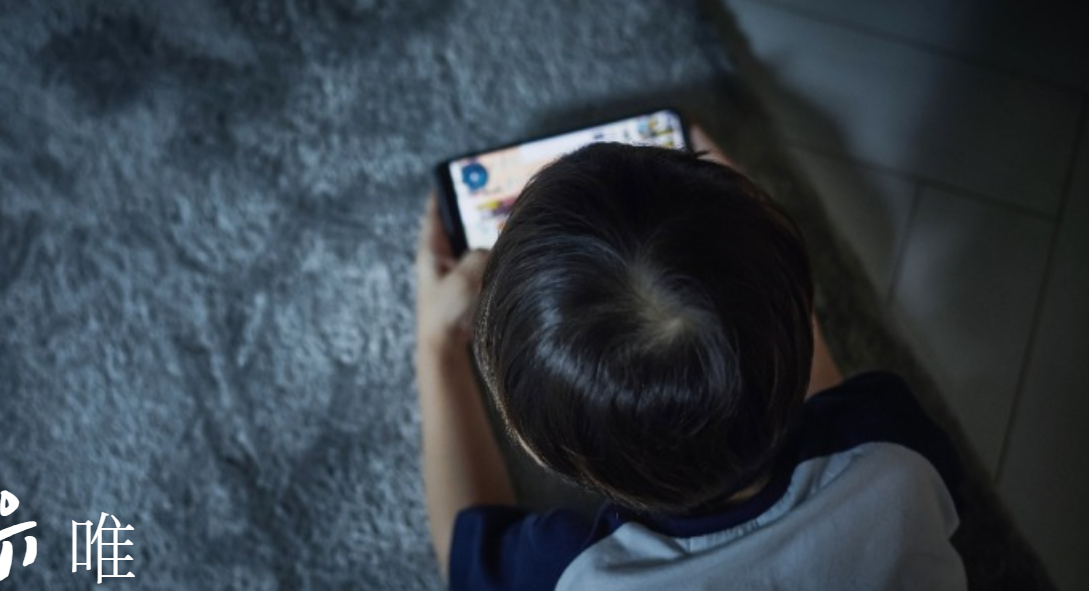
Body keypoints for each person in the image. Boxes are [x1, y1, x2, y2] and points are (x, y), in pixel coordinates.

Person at [413, 128, 966, 590]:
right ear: (805, 303)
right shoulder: (892, 446)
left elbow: (466, 554)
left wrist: (437, 346)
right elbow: (826, 403)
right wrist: (747, 225)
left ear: (536, 449)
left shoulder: (571, 573)